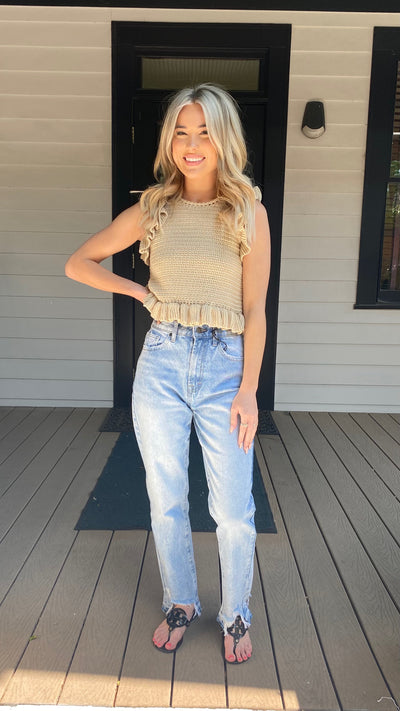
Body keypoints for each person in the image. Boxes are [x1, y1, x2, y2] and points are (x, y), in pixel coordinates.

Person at [65, 83, 270, 664]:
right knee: (166, 497)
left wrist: (249, 390)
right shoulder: (152, 209)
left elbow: (255, 309)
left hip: (227, 367)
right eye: (181, 132)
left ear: (224, 140)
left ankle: (235, 613)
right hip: (162, 362)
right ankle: (181, 601)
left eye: (205, 132)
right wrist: (137, 291)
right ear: (169, 141)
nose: (192, 144)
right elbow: (78, 263)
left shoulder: (248, 212)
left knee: (233, 509)